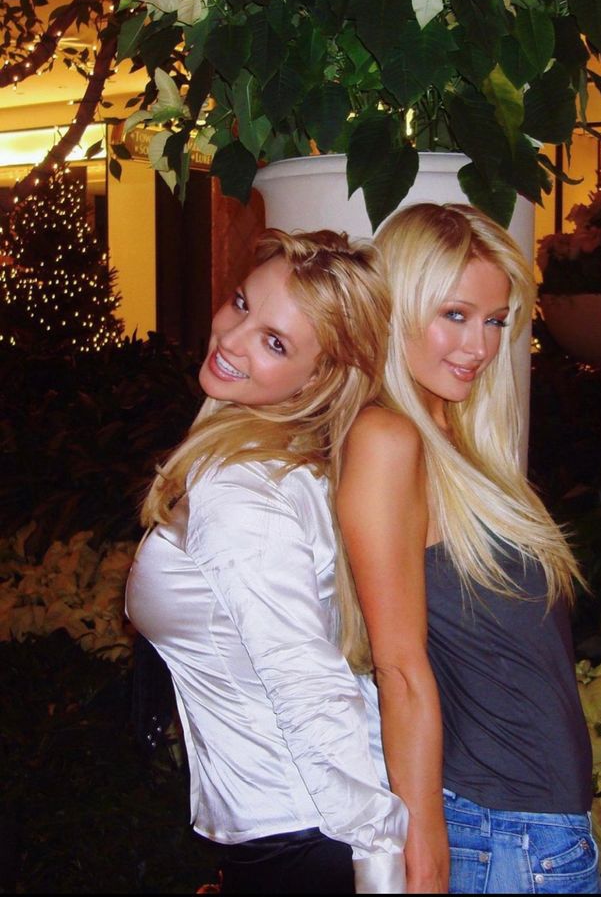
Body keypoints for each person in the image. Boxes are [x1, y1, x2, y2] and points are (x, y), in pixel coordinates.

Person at [125, 228, 407, 895]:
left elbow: (306, 681)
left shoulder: (239, 489)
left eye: (276, 342)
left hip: (304, 833)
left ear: (322, 376)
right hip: (294, 827)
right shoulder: (274, 454)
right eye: (242, 304)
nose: (232, 337)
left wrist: (379, 865)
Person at [337, 203, 601, 895]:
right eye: (454, 315)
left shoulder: (460, 446)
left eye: (494, 321)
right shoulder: (389, 441)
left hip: (534, 829)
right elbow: (399, 669)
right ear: (395, 307)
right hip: (497, 833)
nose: (479, 347)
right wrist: (424, 865)